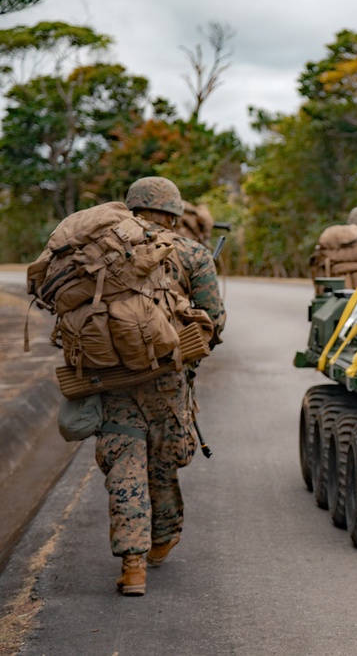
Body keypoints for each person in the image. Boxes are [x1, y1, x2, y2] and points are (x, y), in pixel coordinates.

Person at [100, 176, 226, 596]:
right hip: (167, 378)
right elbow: (215, 318)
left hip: (113, 378)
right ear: (175, 213)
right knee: (161, 461)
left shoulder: (103, 247)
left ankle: (132, 566)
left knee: (124, 459)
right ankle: (161, 538)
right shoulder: (191, 252)